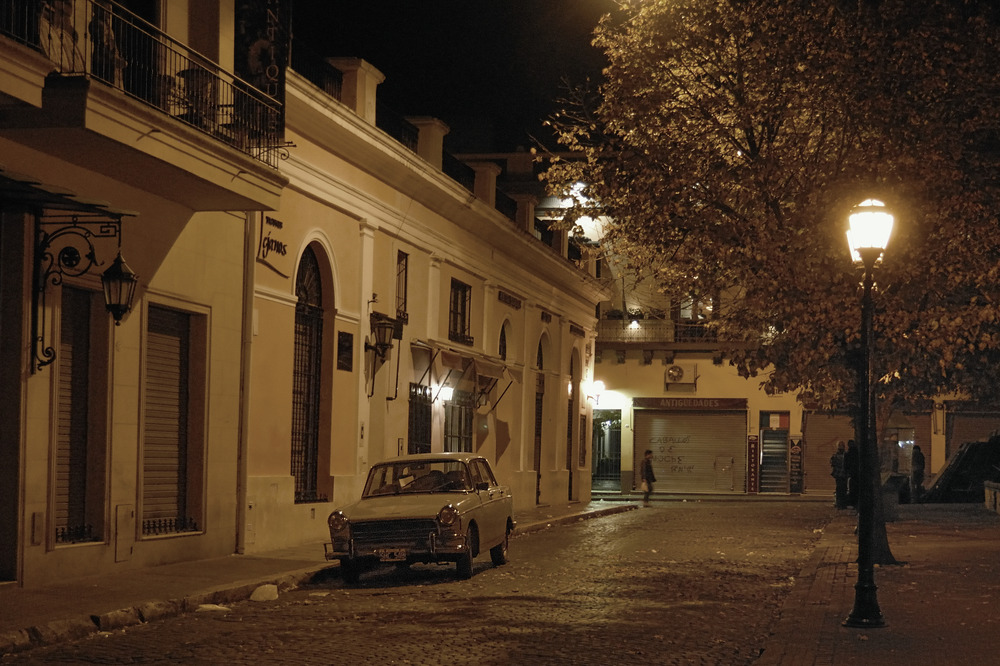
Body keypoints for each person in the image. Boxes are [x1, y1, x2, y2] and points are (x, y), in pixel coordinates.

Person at [830, 441, 848, 508]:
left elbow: (833, 464)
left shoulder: (835, 455)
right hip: (844, 474)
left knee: (839, 488)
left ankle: (839, 503)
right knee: (843, 488)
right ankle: (842, 503)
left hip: (838, 474)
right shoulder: (846, 455)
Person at [844, 439, 860, 509]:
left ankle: (853, 502)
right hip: (857, 473)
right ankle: (855, 502)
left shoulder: (848, 453)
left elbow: (846, 464)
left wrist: (847, 472)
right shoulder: (857, 453)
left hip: (852, 474)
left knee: (852, 488)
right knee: (855, 488)